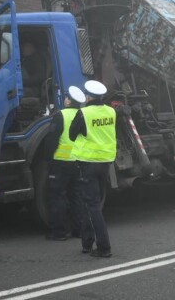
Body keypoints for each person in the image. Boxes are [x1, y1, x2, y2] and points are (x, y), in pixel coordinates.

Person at [69, 80, 116, 258]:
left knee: (91, 205)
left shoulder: (84, 112)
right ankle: (87, 243)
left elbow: (72, 134)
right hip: (105, 162)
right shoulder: (111, 111)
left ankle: (104, 247)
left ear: (88, 96)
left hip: (88, 163)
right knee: (94, 204)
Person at [44, 85, 86, 241]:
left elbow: (52, 139)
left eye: (67, 97)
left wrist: (48, 158)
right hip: (79, 161)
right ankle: (80, 230)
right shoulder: (83, 115)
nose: (66, 99)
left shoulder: (61, 115)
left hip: (61, 161)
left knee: (58, 196)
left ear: (69, 101)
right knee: (77, 196)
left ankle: (59, 232)